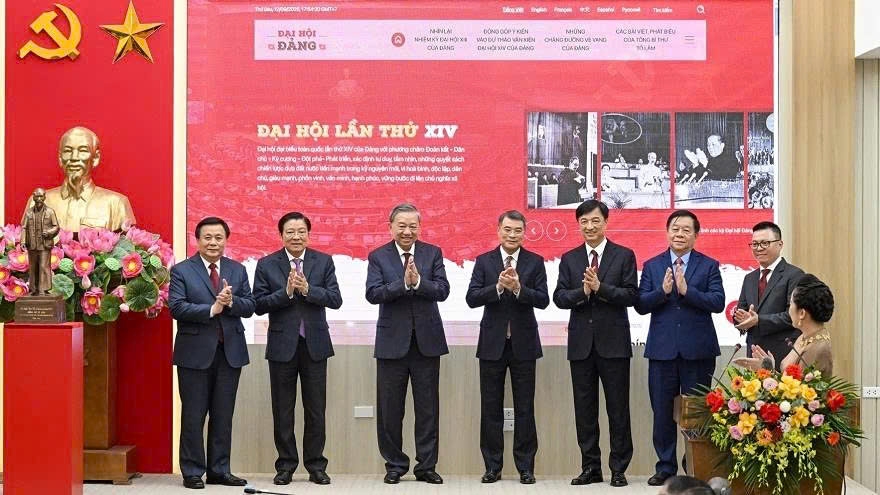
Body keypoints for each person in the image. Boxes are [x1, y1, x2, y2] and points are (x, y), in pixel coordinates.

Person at [635, 210, 724, 486]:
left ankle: (695, 464)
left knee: (697, 412)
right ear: (667, 232)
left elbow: (718, 302)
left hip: (698, 351)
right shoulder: (652, 265)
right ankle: (665, 467)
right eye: (675, 228)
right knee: (662, 412)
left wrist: (688, 291)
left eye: (686, 229)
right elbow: (640, 304)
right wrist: (662, 292)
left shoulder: (708, 265)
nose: (680, 234)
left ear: (696, 235)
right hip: (662, 352)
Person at [253, 212, 342, 486]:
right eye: (290, 231)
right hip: (282, 346)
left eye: (301, 231)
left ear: (308, 234)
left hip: (315, 345)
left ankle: (316, 465)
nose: (296, 236)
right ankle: (285, 466)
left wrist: (308, 289)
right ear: (281, 235)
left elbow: (335, 299)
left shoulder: (323, 261)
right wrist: (287, 292)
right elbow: (258, 304)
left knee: (316, 409)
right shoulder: (267, 264)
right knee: (283, 409)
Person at [554, 200, 638, 488]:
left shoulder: (624, 256)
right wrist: (583, 291)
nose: (589, 226)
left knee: (618, 409)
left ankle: (618, 468)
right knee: (585, 409)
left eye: (595, 221)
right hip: (580, 346)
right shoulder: (569, 258)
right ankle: (590, 466)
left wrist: (602, 289)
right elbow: (559, 298)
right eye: (584, 222)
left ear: (606, 222)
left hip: (614, 344)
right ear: (578, 225)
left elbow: (631, 296)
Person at [366, 203, 450, 484]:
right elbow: (373, 293)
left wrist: (418, 283)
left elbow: (442, 290)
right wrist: (402, 284)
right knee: (390, 410)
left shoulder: (432, 253)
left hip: (427, 342)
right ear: (390, 226)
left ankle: (426, 466)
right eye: (401, 225)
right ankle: (395, 465)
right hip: (392, 344)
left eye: (413, 225)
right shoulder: (378, 256)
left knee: (428, 409)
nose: (407, 231)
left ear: (420, 227)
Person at [169, 217, 255, 489]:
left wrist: (231, 303)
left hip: (229, 352)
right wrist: (211, 309)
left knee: (223, 414)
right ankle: (193, 471)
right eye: (208, 237)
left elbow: (250, 305)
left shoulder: (237, 269)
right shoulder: (182, 270)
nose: (213, 242)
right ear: (197, 240)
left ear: (226, 240)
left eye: (219, 237)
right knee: (194, 414)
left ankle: (219, 469)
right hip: (194, 353)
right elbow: (177, 308)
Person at [466, 210, 549, 485]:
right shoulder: (484, 261)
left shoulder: (535, 262)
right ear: (498, 230)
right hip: (492, 346)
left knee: (525, 408)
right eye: (507, 230)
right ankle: (492, 467)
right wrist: (499, 288)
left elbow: (543, 299)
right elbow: (472, 298)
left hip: (524, 346)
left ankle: (526, 467)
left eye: (517, 231)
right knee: (490, 408)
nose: (512, 235)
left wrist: (518, 289)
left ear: (525, 232)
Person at [733, 222, 804, 370]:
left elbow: (793, 316)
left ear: (780, 244)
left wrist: (758, 320)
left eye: (765, 243)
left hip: (783, 352)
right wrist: (740, 319)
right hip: (754, 353)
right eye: (755, 244)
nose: (759, 248)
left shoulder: (794, 275)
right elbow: (742, 311)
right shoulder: (749, 278)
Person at [39, 126, 136, 232]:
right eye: (67, 151)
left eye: (83, 151)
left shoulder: (117, 204)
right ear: (60, 158)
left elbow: (128, 245)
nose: (74, 158)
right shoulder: (39, 201)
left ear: (95, 158)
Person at [735, 273, 834, 377]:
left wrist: (769, 373)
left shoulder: (817, 349)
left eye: (791, 304)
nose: (789, 310)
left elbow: (798, 391)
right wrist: (768, 368)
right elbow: (789, 384)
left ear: (802, 313)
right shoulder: (804, 337)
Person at [20, 188, 60, 295]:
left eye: (41, 196)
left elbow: (56, 227)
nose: (39, 199)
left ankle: (44, 289)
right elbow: (23, 227)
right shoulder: (29, 212)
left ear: (44, 197)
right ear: (33, 197)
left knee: (44, 266)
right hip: (32, 244)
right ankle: (34, 289)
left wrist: (49, 232)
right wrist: (23, 241)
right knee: (33, 267)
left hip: (44, 244)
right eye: (36, 196)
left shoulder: (50, 211)